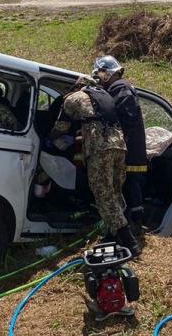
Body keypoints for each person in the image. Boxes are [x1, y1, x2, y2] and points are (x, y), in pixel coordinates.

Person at [61, 79, 141, 256]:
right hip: (119, 146)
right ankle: (113, 237)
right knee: (114, 192)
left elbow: (61, 126)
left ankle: (129, 240)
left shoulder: (73, 97)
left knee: (102, 194)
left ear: (77, 87)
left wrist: (53, 138)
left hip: (100, 149)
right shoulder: (105, 96)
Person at [93, 56, 148, 239]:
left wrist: (111, 136)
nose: (99, 79)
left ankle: (133, 226)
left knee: (129, 187)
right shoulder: (118, 89)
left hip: (129, 151)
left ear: (107, 73)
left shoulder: (122, 89)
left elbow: (127, 121)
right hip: (126, 149)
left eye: (99, 75)